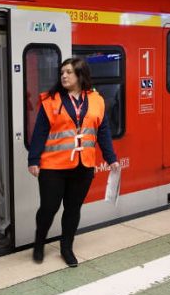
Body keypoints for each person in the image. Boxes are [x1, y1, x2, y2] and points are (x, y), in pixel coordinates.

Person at [27, 57, 120, 267]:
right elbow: (40, 132)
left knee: (73, 209)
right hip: (53, 166)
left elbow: (102, 131)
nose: (64, 76)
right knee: (49, 208)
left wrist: (111, 158)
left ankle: (66, 248)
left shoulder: (97, 100)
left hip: (83, 166)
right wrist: (33, 159)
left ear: (80, 75)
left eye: (68, 72)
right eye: (62, 73)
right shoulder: (50, 100)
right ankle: (39, 243)